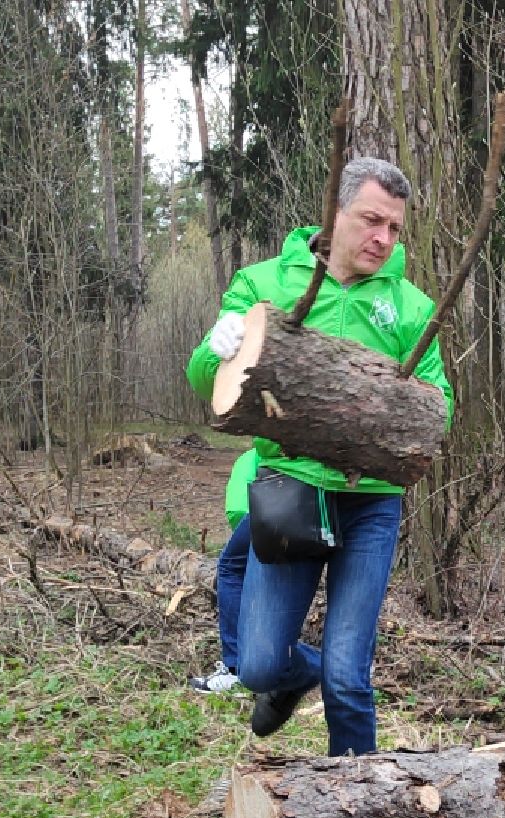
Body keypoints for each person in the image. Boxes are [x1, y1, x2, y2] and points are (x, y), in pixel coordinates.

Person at [185, 158, 453, 757]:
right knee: (256, 663)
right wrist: (217, 348)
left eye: (395, 228)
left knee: (347, 678)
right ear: (336, 210)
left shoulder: (411, 308)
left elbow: (440, 405)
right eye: (370, 220)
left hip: (370, 504)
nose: (383, 238)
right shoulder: (266, 284)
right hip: (292, 495)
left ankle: (360, 806)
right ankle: (294, 676)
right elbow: (206, 381)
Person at [188, 448, 257, 696]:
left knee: (230, 569)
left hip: (274, 498)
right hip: (280, 497)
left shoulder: (257, 453)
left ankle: (236, 667)